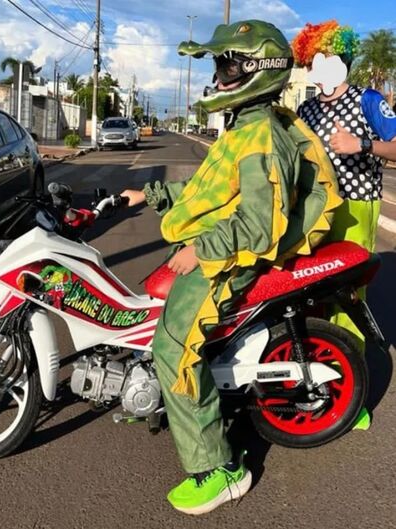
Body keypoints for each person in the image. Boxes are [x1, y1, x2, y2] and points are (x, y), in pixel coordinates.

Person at [121, 20, 341, 515]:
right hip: (217, 244)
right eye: (219, 63)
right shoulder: (244, 126)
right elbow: (212, 194)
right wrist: (149, 194)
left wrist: (200, 251)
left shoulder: (262, 135)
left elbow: (259, 225)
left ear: (260, 70)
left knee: (173, 347)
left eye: (230, 63)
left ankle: (219, 471)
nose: (220, 75)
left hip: (229, 257)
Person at [291, 21, 396, 429]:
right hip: (316, 212)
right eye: (316, 61)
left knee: (347, 300)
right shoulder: (307, 109)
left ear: (344, 62)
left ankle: (351, 398)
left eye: (329, 60)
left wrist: (362, 145)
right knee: (308, 298)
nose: (322, 68)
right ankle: (313, 381)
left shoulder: (368, 100)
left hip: (355, 210)